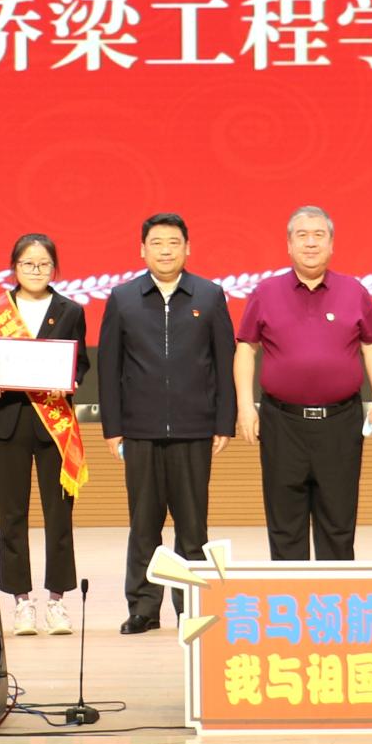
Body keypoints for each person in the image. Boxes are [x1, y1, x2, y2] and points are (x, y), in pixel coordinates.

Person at [99, 213, 235, 633]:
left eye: (173, 243)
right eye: (156, 243)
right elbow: (109, 368)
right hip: (139, 430)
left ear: (187, 248)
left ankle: (191, 604)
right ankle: (143, 606)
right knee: (144, 524)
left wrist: (224, 422)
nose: (165, 251)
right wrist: (112, 427)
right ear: (142, 250)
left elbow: (225, 362)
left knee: (193, 527)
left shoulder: (209, 295)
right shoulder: (122, 298)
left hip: (195, 429)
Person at [234, 206, 372, 562]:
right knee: (284, 523)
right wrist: (244, 406)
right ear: (289, 245)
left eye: (319, 235)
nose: (310, 243)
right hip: (282, 423)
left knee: (338, 522)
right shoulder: (265, 292)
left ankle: (335, 595)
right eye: (302, 235)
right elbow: (245, 349)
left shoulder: (353, 291)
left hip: (340, 422)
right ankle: (290, 596)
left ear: (331, 244)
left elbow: (371, 347)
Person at [0, 233, 90, 638]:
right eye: (28, 263)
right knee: (12, 515)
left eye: (44, 264)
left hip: (54, 423)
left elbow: (81, 363)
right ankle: (21, 601)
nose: (36, 270)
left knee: (59, 515)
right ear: (15, 267)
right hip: (8, 421)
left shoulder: (70, 310)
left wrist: (70, 381)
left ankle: (57, 600)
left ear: (54, 269)